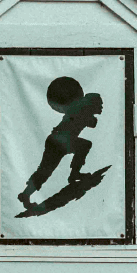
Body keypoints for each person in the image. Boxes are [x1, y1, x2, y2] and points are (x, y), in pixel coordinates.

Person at [18, 76, 104, 207]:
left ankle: (73, 174)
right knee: (46, 169)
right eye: (99, 104)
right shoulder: (81, 109)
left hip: (59, 140)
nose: (101, 108)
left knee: (47, 169)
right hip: (60, 140)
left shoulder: (80, 109)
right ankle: (26, 194)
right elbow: (92, 122)